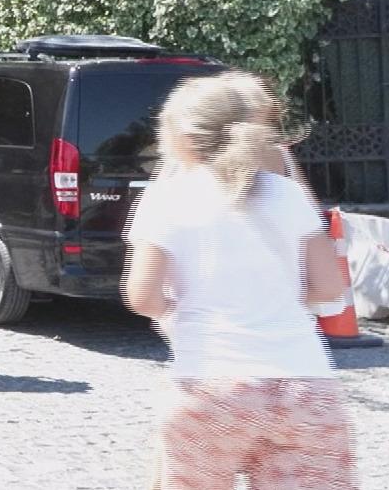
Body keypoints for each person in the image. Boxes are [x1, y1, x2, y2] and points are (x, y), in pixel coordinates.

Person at [122, 73, 356, 489]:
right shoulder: (288, 194)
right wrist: (278, 296)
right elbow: (328, 288)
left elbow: (142, 296)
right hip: (304, 384)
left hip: (209, 384)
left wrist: (176, 312)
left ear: (183, 137)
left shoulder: (165, 197)